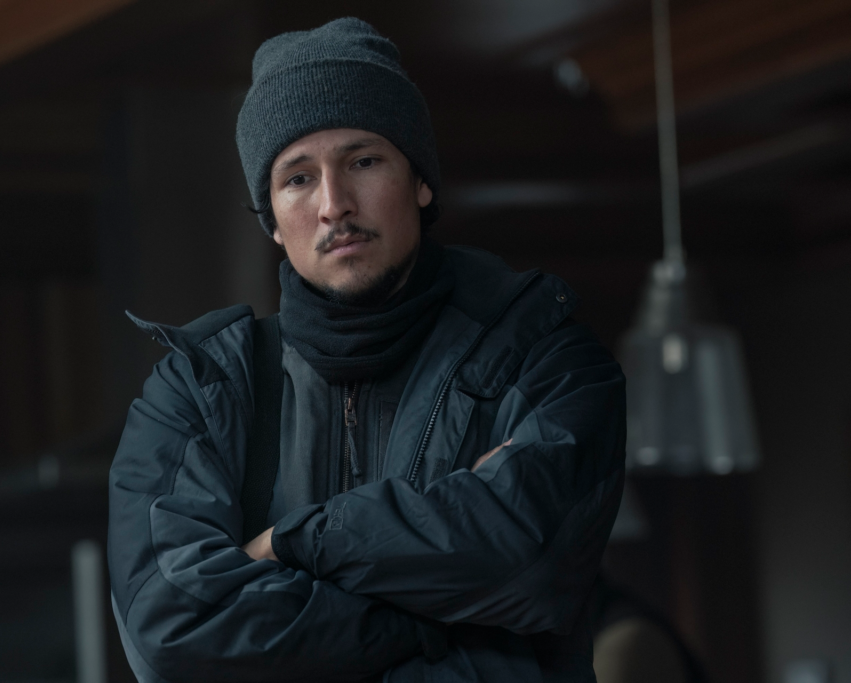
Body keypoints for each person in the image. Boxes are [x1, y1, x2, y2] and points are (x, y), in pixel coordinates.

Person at [108, 17, 626, 683]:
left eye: (363, 161)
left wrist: (296, 541)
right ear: (271, 220)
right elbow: (172, 632)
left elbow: (529, 560)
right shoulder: (201, 390)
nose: (334, 204)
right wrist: (432, 614)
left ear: (421, 180)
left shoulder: (540, 355)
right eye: (298, 178)